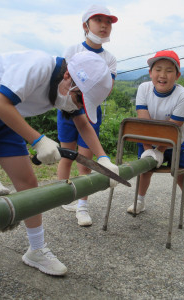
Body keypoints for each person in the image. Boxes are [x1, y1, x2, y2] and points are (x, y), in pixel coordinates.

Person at [0, 50, 118, 275]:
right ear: (67, 78)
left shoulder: (71, 90)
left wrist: (104, 159)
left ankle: (36, 249)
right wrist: (38, 140)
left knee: (28, 183)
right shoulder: (37, 66)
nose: (79, 105)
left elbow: (82, 124)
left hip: (7, 115)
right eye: (80, 98)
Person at [126, 50, 184, 233]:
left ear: (177, 75)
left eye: (169, 70)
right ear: (150, 72)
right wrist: (149, 150)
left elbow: (173, 129)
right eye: (158, 69)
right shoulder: (144, 89)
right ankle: (139, 202)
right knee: (144, 171)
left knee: (182, 177)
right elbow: (143, 123)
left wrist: (160, 150)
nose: (162, 75)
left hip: (174, 141)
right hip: (147, 137)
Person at [58, 5, 118, 226]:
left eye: (108, 22)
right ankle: (63, 196)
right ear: (85, 25)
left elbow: (106, 90)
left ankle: (82, 206)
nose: (104, 25)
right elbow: (62, 82)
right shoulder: (73, 49)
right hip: (66, 107)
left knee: (84, 160)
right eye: (98, 20)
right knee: (66, 154)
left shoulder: (109, 58)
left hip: (91, 109)